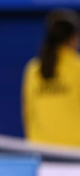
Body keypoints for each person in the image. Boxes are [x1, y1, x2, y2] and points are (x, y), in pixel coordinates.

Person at [22, 9, 80, 147]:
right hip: (75, 154)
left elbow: (29, 116)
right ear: (73, 38)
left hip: (42, 152)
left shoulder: (33, 69)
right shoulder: (77, 68)